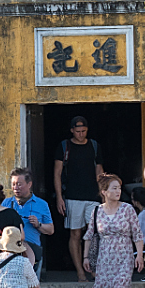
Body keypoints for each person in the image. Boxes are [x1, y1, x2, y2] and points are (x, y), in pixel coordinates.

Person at [79, 175, 139, 288]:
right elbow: (89, 235)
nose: (118, 191)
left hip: (124, 257)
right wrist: (86, 257)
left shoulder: (127, 209)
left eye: (119, 188)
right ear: (104, 192)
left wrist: (139, 255)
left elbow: (137, 234)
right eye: (114, 188)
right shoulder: (97, 211)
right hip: (104, 258)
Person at [55, 116, 105, 279]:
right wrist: (59, 197)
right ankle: (80, 272)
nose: (81, 134)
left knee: (94, 234)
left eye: (83, 131)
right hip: (72, 196)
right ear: (72, 131)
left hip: (93, 196)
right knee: (75, 234)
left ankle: (94, 269)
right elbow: (57, 173)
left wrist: (103, 194)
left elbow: (100, 172)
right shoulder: (64, 146)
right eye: (78, 131)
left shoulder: (94, 146)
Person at [10, 168, 54, 270]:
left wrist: (38, 224)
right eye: (13, 184)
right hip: (10, 253)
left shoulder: (42, 204)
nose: (16, 187)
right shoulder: (6, 203)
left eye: (19, 184)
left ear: (29, 184)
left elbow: (51, 230)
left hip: (32, 252)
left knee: (32, 285)